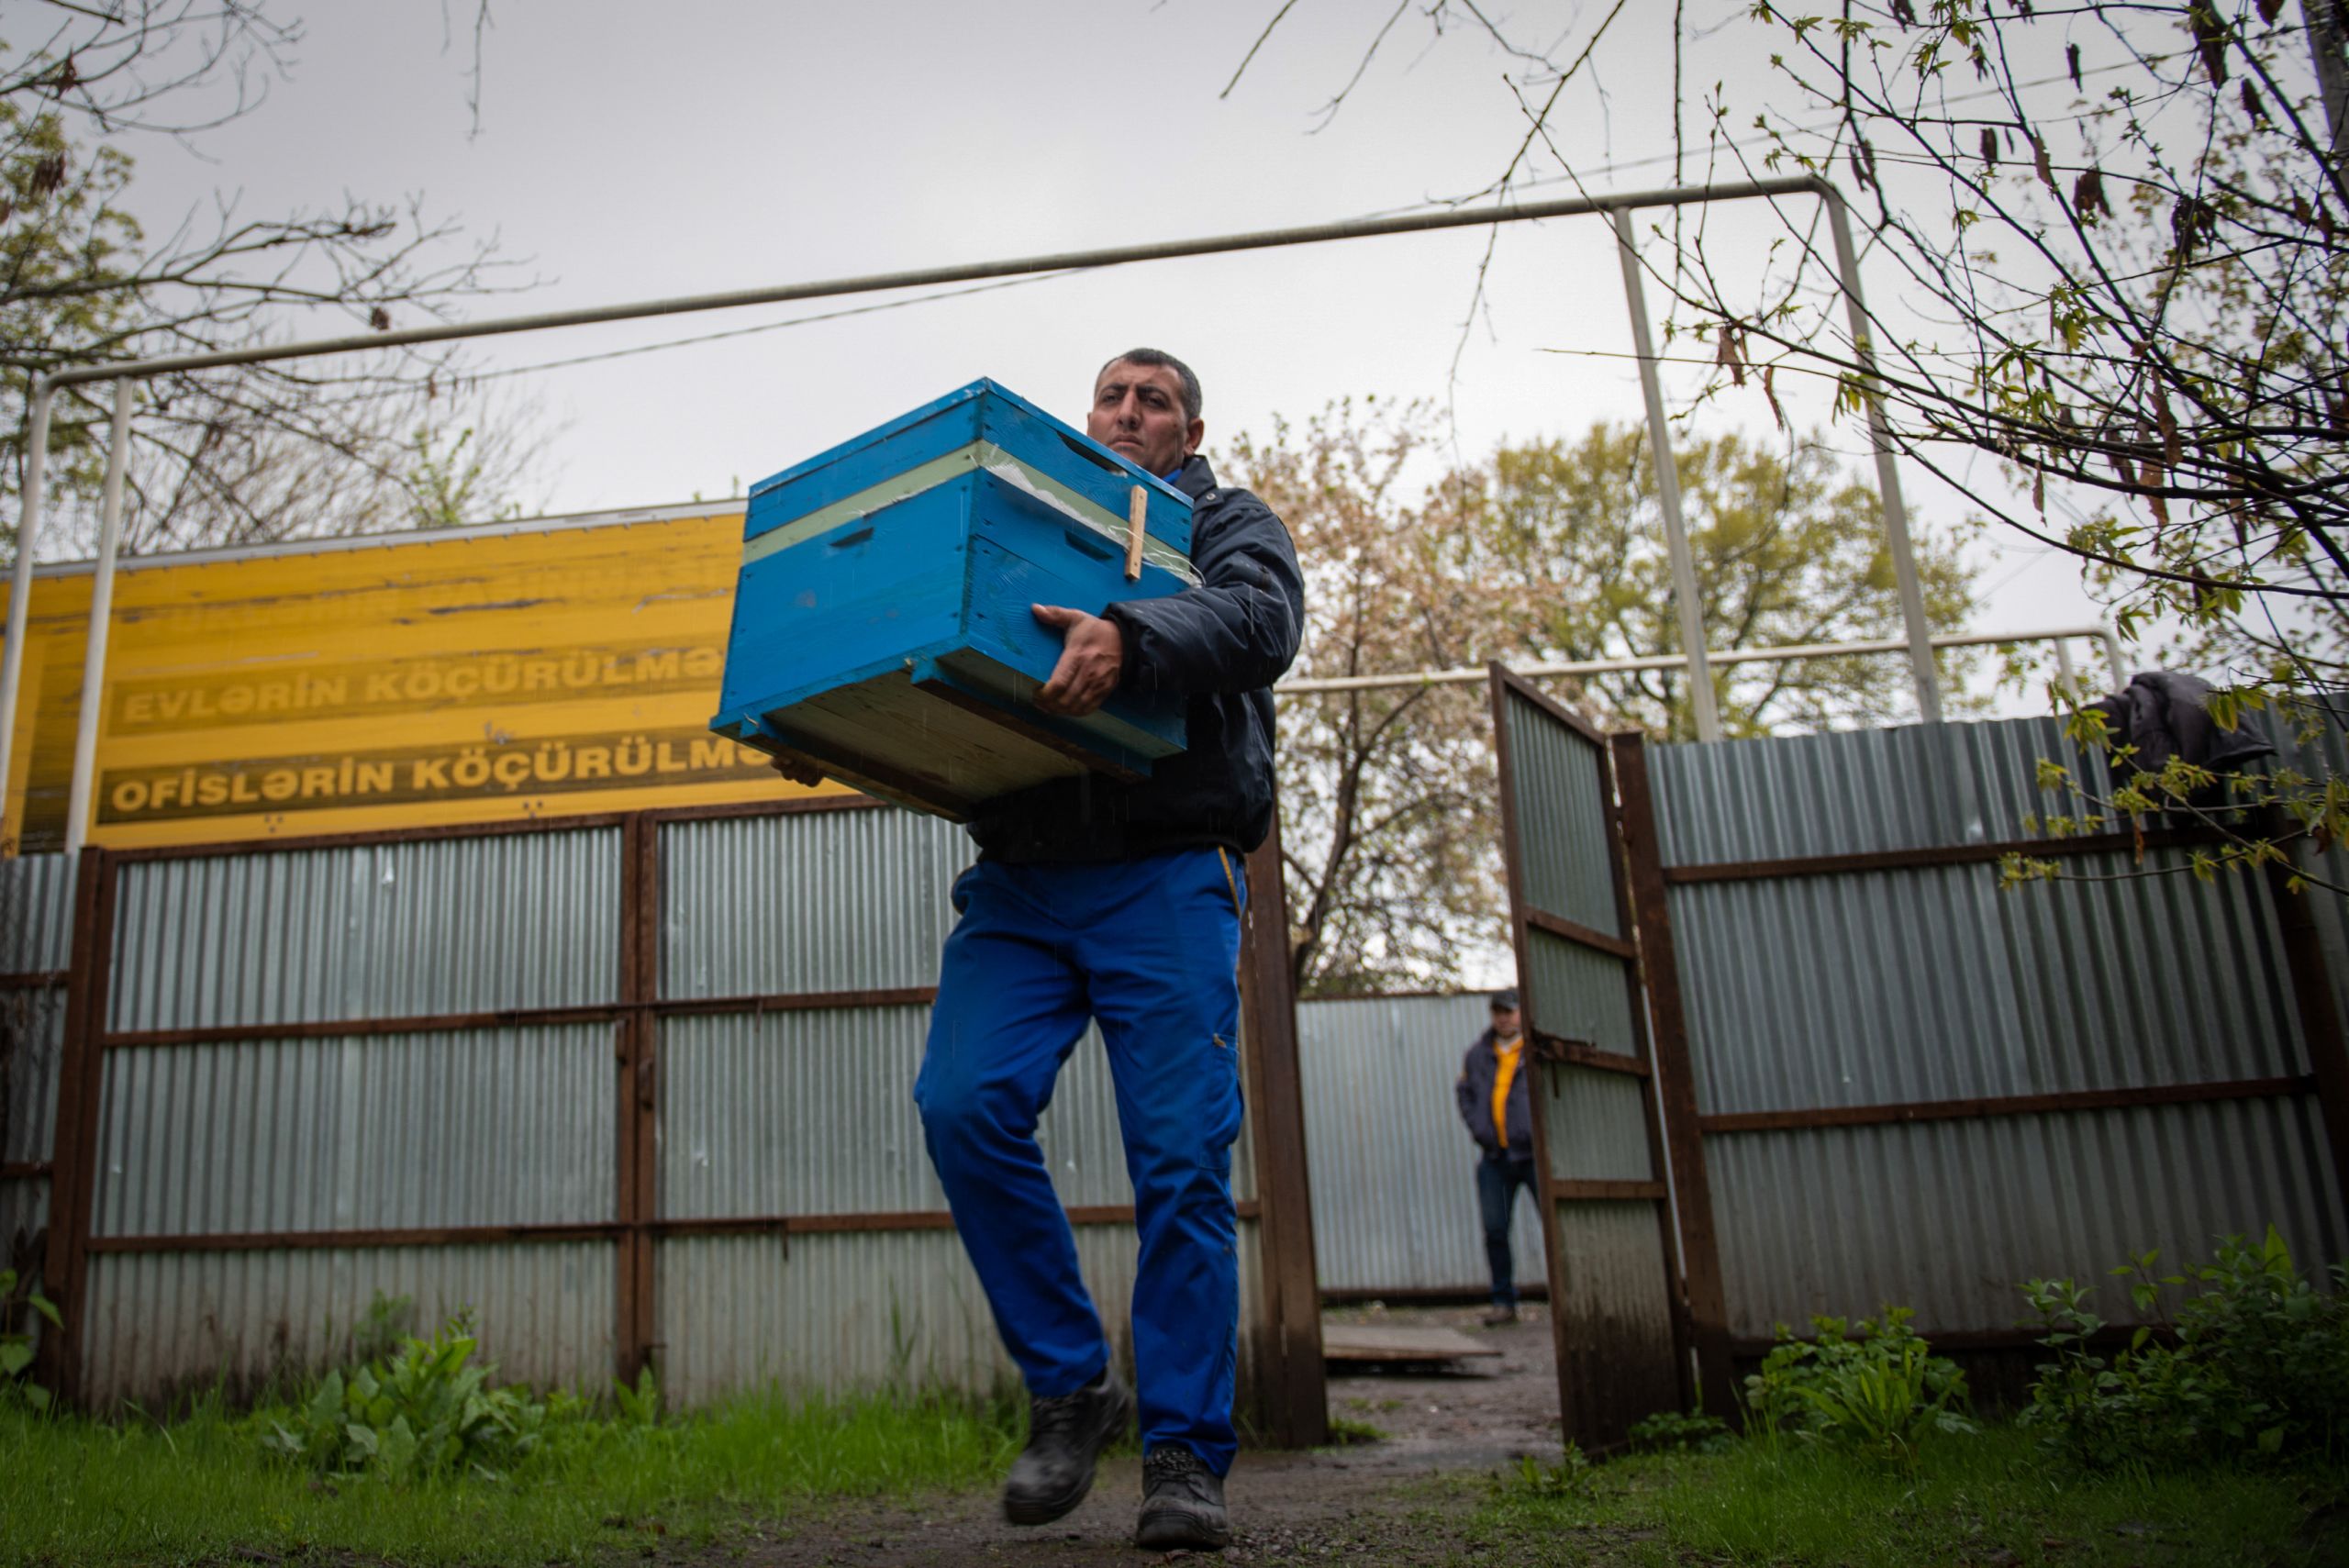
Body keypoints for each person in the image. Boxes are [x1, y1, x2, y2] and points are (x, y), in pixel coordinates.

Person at [772, 349, 1303, 1551]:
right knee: (961, 1103)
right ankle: (1071, 1385)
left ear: (1190, 431)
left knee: (1179, 1159)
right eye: (1112, 395)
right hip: (1022, 878)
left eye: (1153, 400)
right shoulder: (1019, 515)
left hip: (1167, 870)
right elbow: (937, 642)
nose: (1127, 412)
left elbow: (1260, 620)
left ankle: (1183, 1453)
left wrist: (1131, 634)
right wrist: (835, 722)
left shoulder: (1226, 522)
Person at [1455, 987, 1535, 1327]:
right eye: (1498, 1011)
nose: (1503, 1018)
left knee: (1555, 1228)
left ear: (1521, 1012)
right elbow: (1465, 1094)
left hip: (1533, 1156)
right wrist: (1480, 1129)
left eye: (1509, 1011)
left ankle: (1569, 1297)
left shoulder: (1534, 1050)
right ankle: (1503, 1302)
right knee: (1495, 1230)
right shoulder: (1478, 1055)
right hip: (1495, 1158)